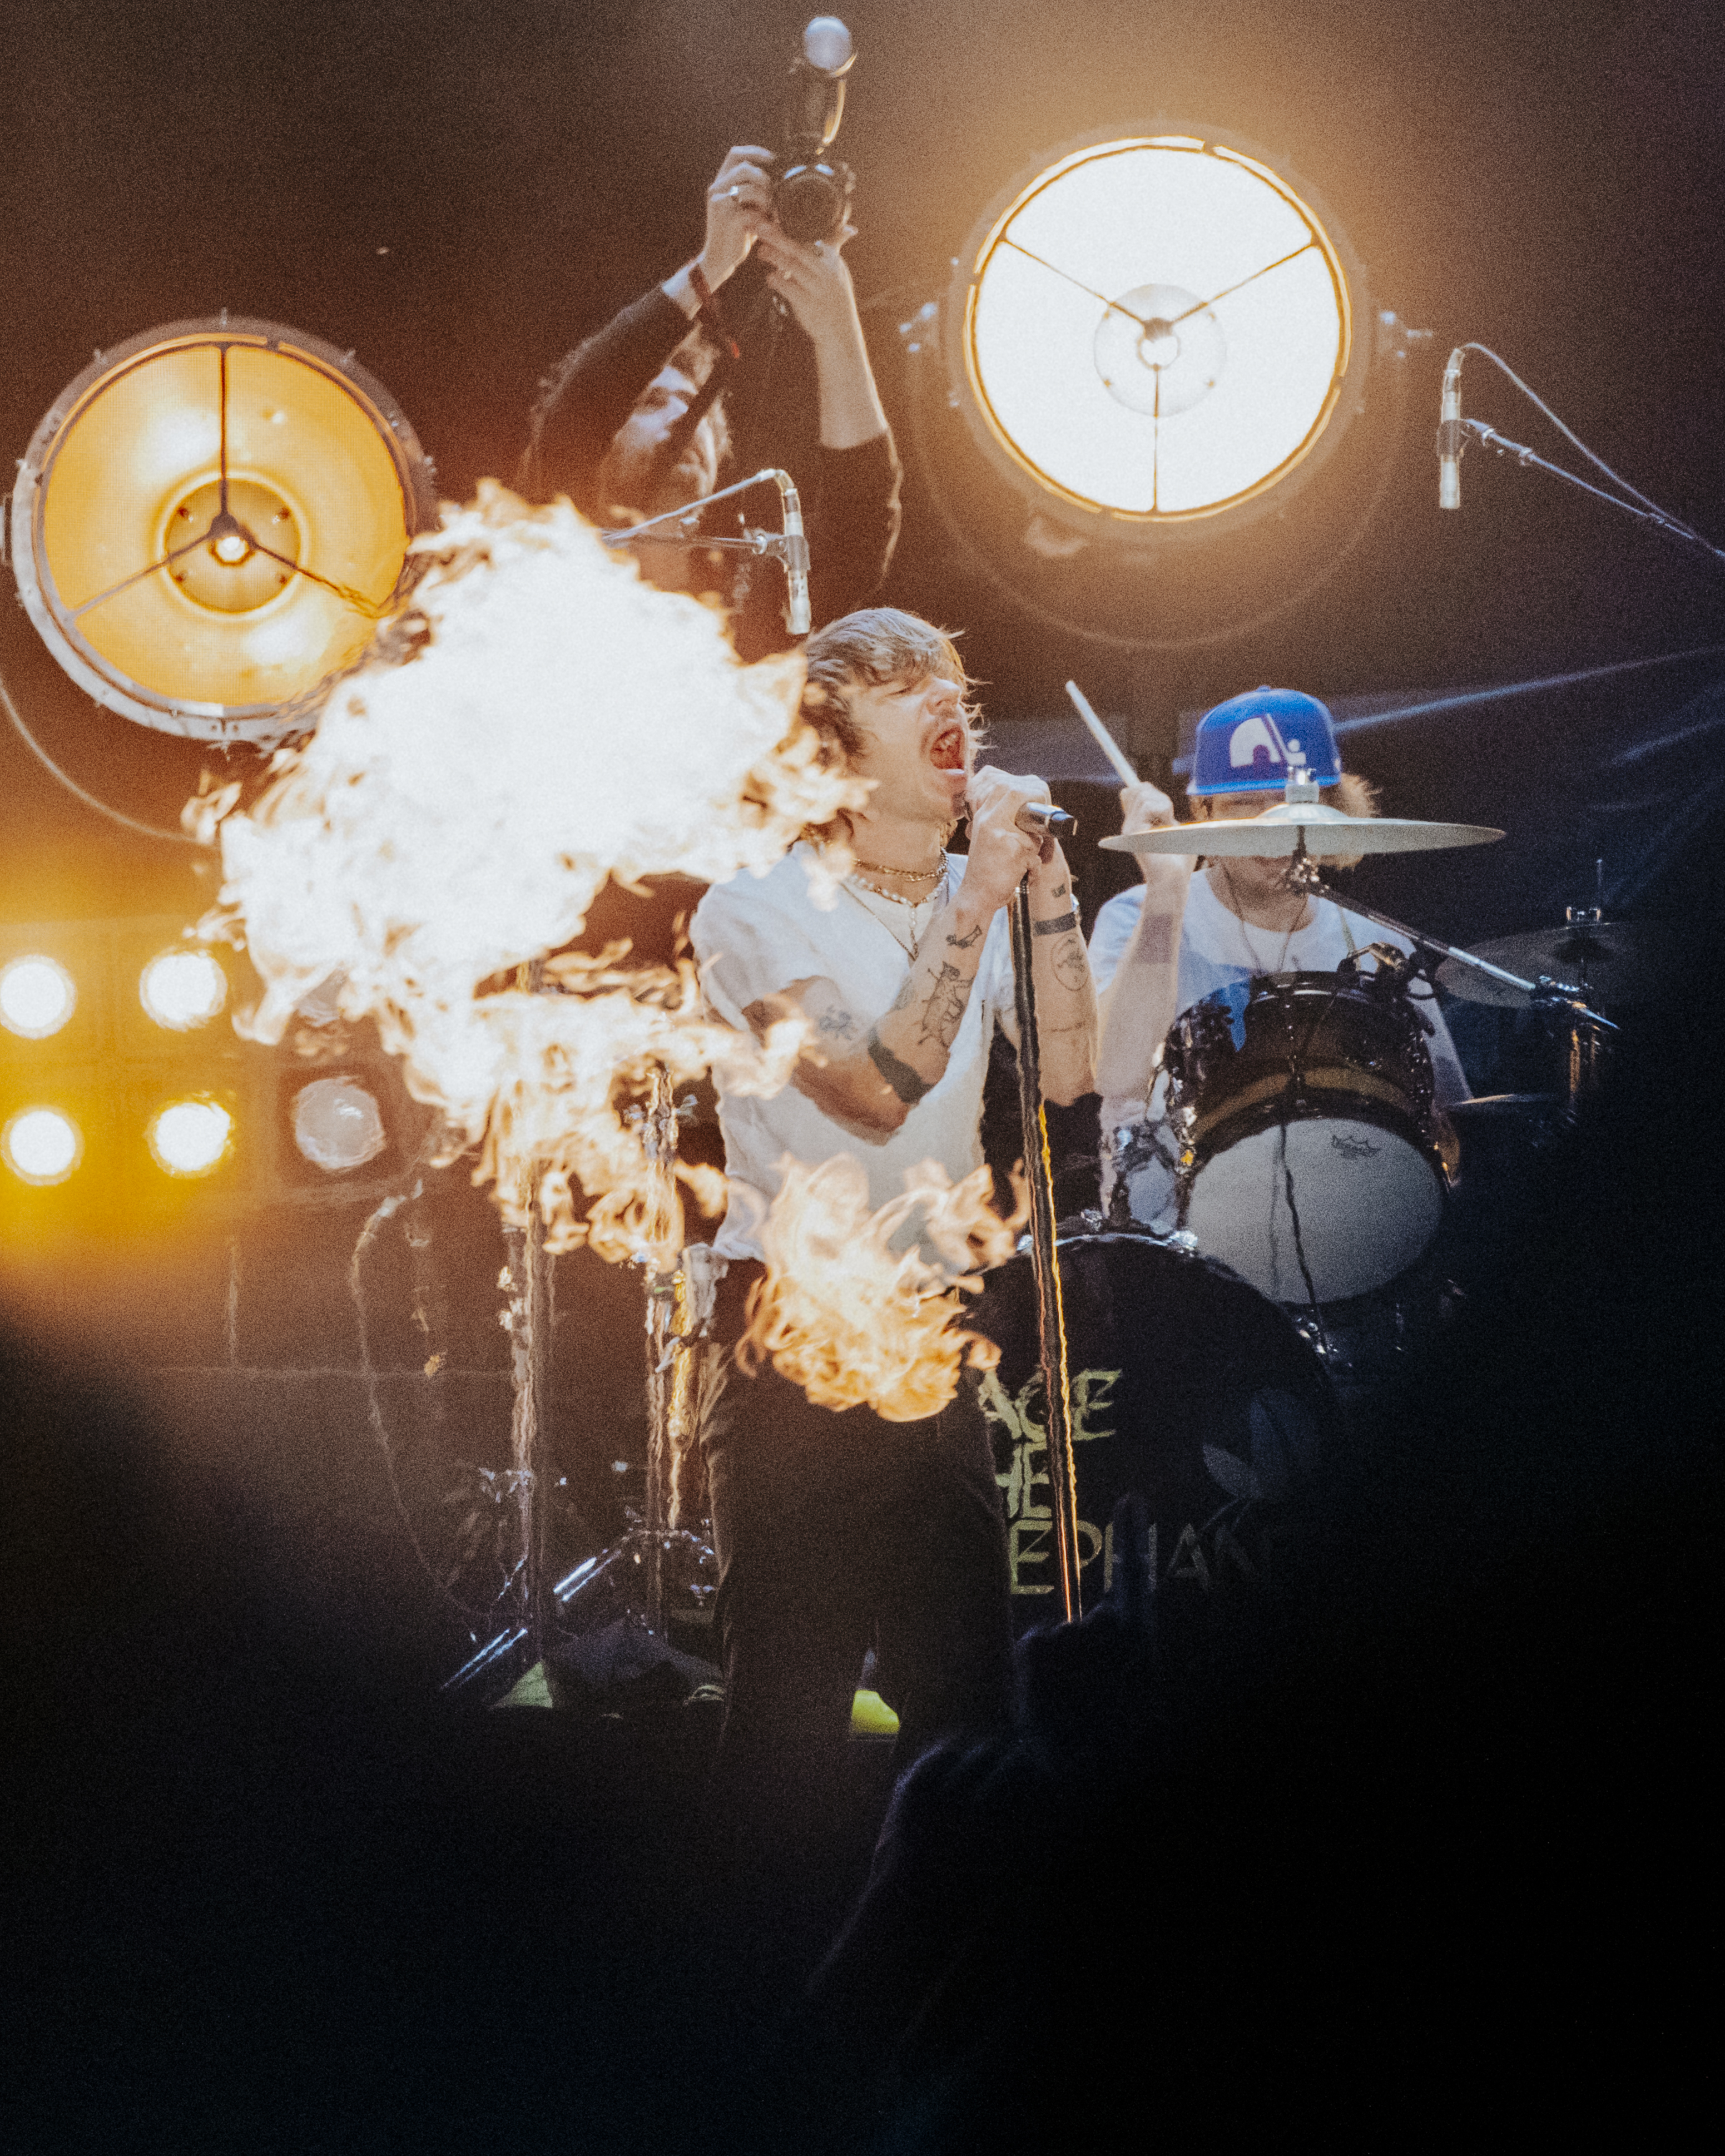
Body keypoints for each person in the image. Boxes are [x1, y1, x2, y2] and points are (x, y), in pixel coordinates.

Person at [688, 607, 1098, 1864]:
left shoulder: (965, 896)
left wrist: (1048, 895)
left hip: (940, 1318)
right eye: (902, 687)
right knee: (794, 1705)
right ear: (834, 750)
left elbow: (1076, 1072)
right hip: (801, 1324)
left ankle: (963, 1966)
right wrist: (976, 897)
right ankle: (763, 1976)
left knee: (967, 1690)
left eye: (954, 686)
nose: (949, 707)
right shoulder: (751, 910)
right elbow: (874, 1089)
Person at [1088, 687, 1470, 1252]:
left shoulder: (1376, 942)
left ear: (1331, 808)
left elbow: (1443, 1120)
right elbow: (1114, 1077)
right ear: (1203, 814)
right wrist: (1164, 896)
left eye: (1291, 800)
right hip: (1172, 1249)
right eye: (1245, 805)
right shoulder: (1137, 916)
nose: (1275, 827)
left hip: (1349, 1238)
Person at [521, 146, 901, 656]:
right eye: (652, 402)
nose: (681, 416)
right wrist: (713, 264)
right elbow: (580, 409)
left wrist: (839, 333)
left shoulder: (756, 593)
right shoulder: (554, 543)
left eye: (691, 407)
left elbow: (859, 533)